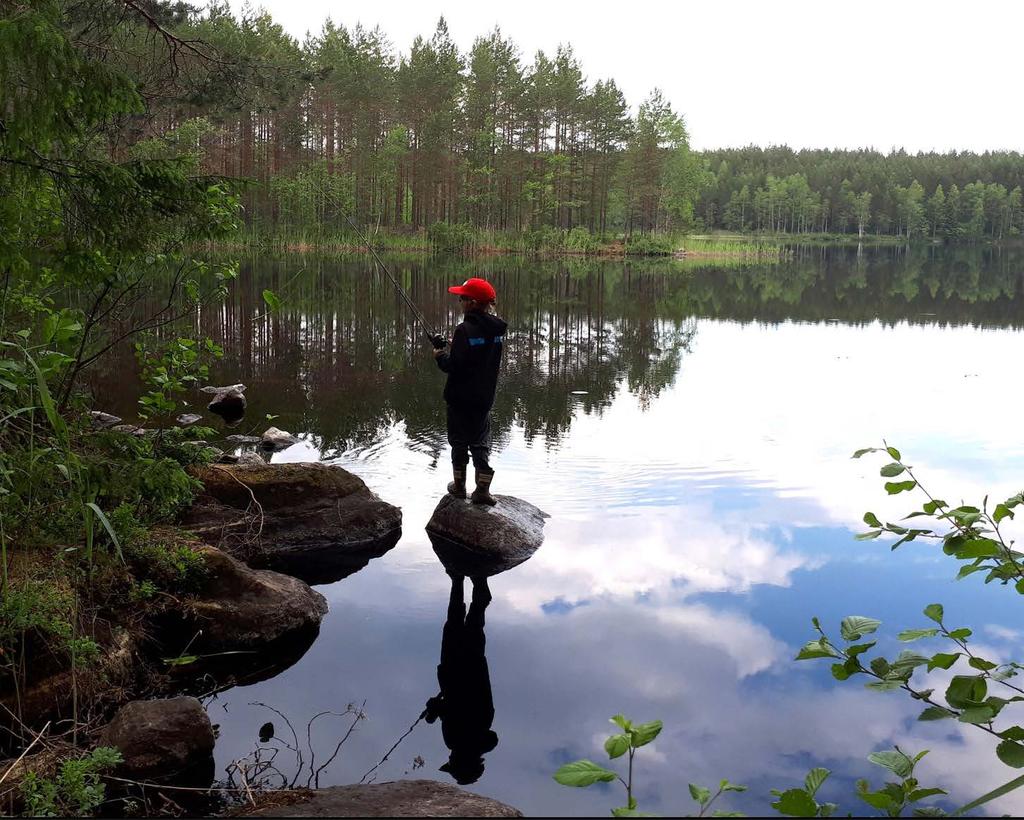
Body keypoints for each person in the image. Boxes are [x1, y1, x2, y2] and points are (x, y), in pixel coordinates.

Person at [433, 277, 507, 505]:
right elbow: (480, 354)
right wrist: (455, 346)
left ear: (473, 303)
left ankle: (459, 487)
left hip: (459, 399)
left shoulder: (464, 330)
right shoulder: (497, 329)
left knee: (459, 442)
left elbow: (454, 366)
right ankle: (482, 491)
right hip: (483, 398)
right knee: (480, 442)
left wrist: (440, 355)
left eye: (462, 298)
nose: (459, 301)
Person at [423, 572, 497, 785]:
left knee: (461, 623)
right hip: (462, 669)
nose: (449, 758)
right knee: (462, 623)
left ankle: (461, 581)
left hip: (458, 670)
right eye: (452, 762)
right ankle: (466, 582)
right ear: (462, 761)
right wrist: (435, 710)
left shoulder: (472, 738)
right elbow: (453, 709)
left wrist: (434, 710)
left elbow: (448, 710)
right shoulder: (461, 739)